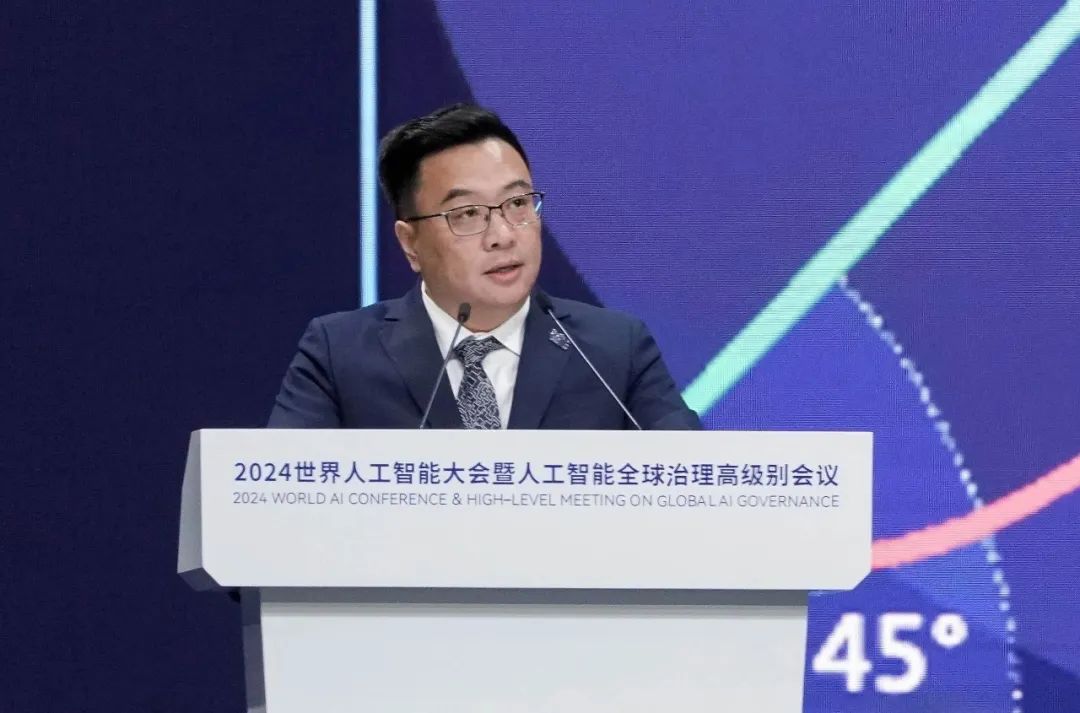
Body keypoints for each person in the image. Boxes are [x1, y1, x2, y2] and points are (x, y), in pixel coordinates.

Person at [268, 103, 700, 430]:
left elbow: (698, 488)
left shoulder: (614, 351)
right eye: (468, 213)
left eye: (517, 204)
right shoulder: (339, 354)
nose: (503, 235)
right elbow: (280, 500)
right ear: (410, 243)